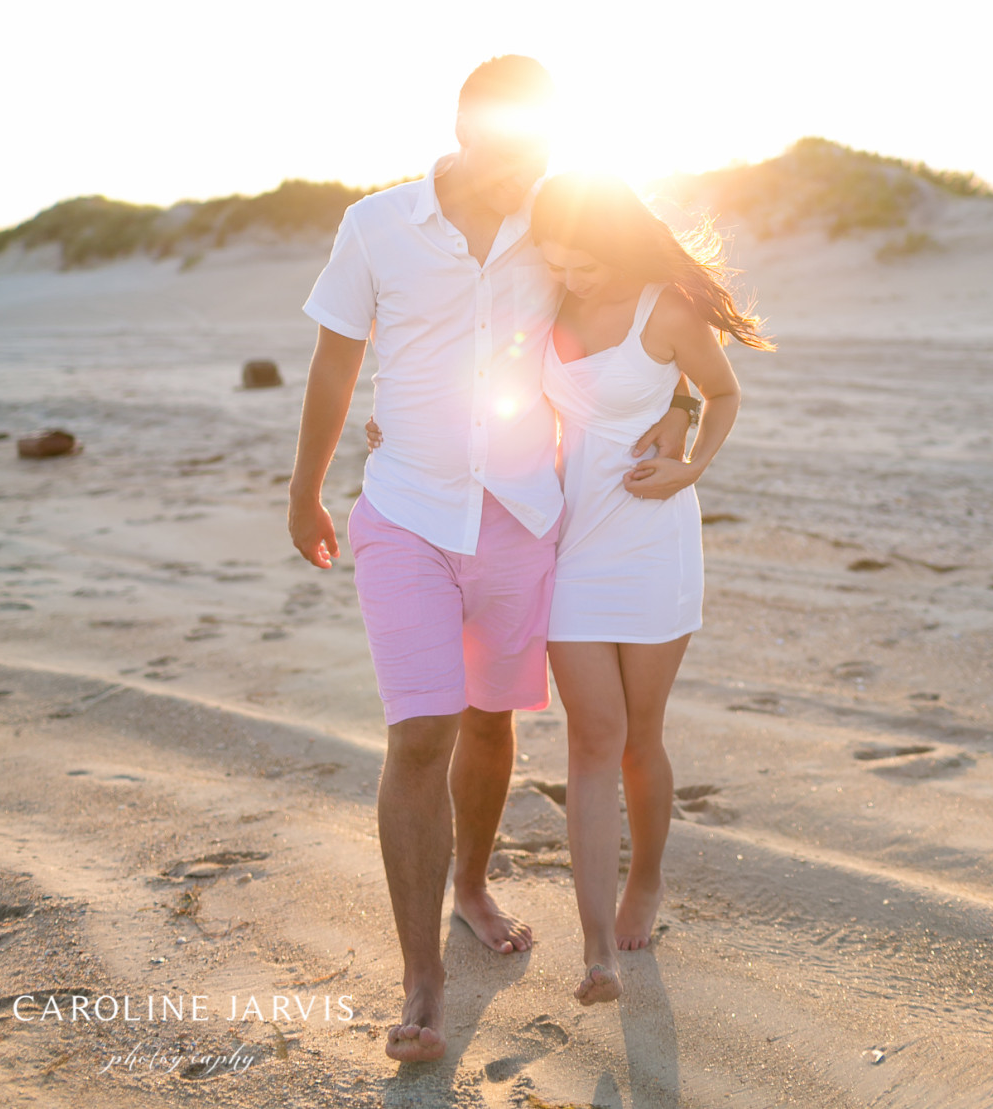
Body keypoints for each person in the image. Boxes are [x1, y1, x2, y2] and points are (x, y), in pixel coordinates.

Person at [286, 58, 691, 1064]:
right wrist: (305, 487)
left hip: (520, 513)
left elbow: (656, 304)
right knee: (419, 731)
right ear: (463, 135)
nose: (527, 175)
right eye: (512, 154)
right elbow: (337, 356)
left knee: (487, 717)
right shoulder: (376, 224)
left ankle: (470, 884)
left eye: (542, 154)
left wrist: (680, 415)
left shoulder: (556, 230)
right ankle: (421, 977)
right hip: (406, 514)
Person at [528, 172, 773, 1005]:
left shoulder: (665, 309)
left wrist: (689, 462)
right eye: (555, 261)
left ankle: (649, 879)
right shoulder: (542, 307)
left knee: (641, 739)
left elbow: (724, 390)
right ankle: (596, 949)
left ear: (617, 244)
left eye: (583, 262)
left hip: (655, 542)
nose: (568, 276)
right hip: (572, 547)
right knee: (591, 740)